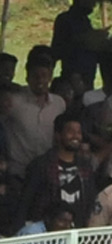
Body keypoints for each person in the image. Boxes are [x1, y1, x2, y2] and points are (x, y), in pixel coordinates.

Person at [19, 113, 97, 232]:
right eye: (70, 131)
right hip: (45, 233)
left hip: (76, 233)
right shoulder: (41, 165)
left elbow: (90, 200)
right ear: (58, 135)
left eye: (79, 132)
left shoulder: (85, 167)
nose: (76, 136)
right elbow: (26, 201)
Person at [7, 54, 67, 182]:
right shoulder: (14, 102)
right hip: (18, 173)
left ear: (50, 77)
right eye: (35, 76)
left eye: (44, 76)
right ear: (27, 77)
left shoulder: (59, 103)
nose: (40, 80)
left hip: (47, 173)